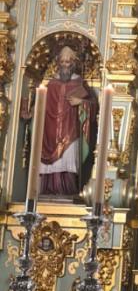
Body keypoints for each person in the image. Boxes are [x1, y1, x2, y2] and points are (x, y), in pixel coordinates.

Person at [26, 45, 98, 197]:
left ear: (74, 63)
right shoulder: (51, 84)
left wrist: (81, 102)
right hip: (49, 132)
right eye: (63, 62)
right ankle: (46, 191)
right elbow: (40, 104)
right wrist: (31, 111)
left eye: (68, 62)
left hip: (70, 132)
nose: (65, 65)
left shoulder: (80, 83)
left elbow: (93, 106)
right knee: (47, 165)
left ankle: (68, 191)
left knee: (68, 161)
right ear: (58, 63)